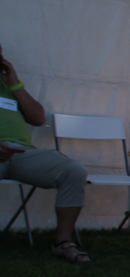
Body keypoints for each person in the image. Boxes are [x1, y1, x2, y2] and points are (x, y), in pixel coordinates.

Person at [0, 45, 91, 263]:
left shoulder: (8, 85)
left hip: (21, 152)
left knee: (73, 170)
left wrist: (15, 83)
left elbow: (38, 119)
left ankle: (62, 243)